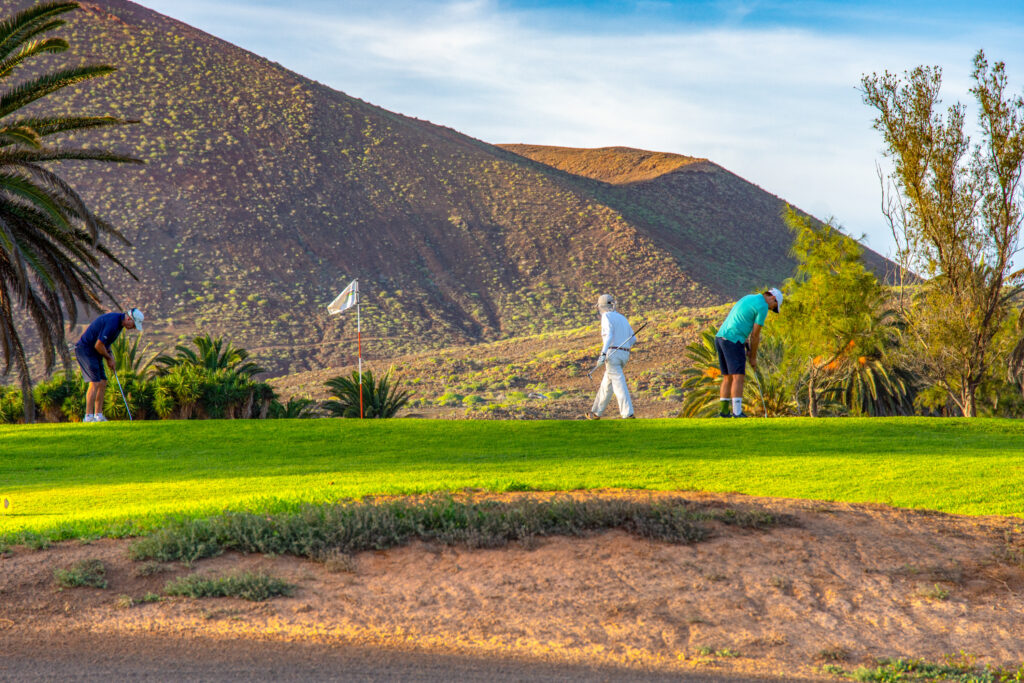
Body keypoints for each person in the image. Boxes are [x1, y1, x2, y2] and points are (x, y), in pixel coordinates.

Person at [714, 288, 782, 418]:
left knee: (727, 377)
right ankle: (737, 413)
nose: (771, 310)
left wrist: (746, 345)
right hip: (733, 340)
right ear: (773, 298)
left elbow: (739, 320)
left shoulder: (749, 298)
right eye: (774, 307)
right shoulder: (762, 306)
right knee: (738, 376)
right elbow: (755, 335)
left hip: (721, 337)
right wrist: (753, 358)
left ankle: (724, 412)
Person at [75, 308, 143, 422]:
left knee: (103, 381)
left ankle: (98, 415)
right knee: (95, 382)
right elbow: (99, 345)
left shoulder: (119, 325)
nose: (134, 327)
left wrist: (110, 357)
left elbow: (106, 344)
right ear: (128, 318)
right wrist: (108, 358)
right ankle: (88, 416)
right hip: (85, 350)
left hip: (95, 351)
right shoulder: (113, 322)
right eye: (134, 324)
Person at [586, 294, 636, 420]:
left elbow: (608, 335)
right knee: (607, 384)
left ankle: (628, 414)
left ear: (601, 306)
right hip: (624, 353)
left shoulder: (606, 316)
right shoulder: (622, 318)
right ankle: (596, 412)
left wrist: (603, 354)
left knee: (619, 383)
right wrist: (623, 347)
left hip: (613, 353)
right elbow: (633, 339)